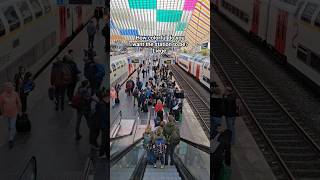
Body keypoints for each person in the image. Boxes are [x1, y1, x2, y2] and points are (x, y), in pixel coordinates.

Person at [0, 82, 22, 148]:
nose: (9, 89)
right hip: (6, 114)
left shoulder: (15, 94)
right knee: (9, 127)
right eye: (8, 87)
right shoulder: (2, 96)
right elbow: (1, 105)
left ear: (12, 87)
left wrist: (19, 111)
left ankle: (11, 140)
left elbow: (19, 102)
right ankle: (12, 134)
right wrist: (2, 113)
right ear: (5, 88)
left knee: (12, 126)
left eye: (10, 87)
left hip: (14, 113)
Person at [97, 89, 108, 158]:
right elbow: (104, 117)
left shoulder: (103, 104)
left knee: (105, 140)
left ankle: (105, 153)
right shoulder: (102, 106)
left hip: (104, 126)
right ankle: (102, 154)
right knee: (104, 140)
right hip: (104, 126)